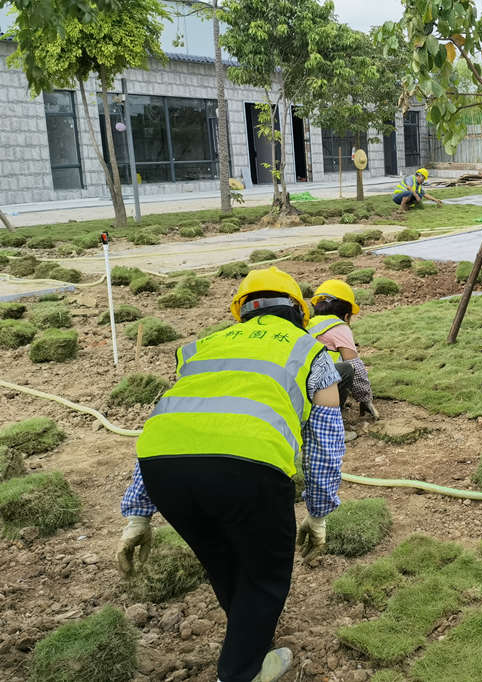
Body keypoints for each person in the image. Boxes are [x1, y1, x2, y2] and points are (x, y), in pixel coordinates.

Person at [115, 266, 344, 682]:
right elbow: (325, 444)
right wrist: (319, 513)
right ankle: (241, 671)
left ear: (241, 310)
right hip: (250, 471)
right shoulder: (310, 351)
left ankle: (247, 641)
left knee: (224, 562)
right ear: (298, 308)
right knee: (265, 577)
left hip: (164, 471)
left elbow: (168, 418)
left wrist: (137, 514)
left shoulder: (203, 347)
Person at [307, 279, 379, 420]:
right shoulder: (339, 327)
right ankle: (331, 421)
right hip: (319, 389)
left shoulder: (309, 323)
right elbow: (355, 366)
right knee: (347, 369)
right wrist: (365, 398)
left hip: (303, 387)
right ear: (346, 316)